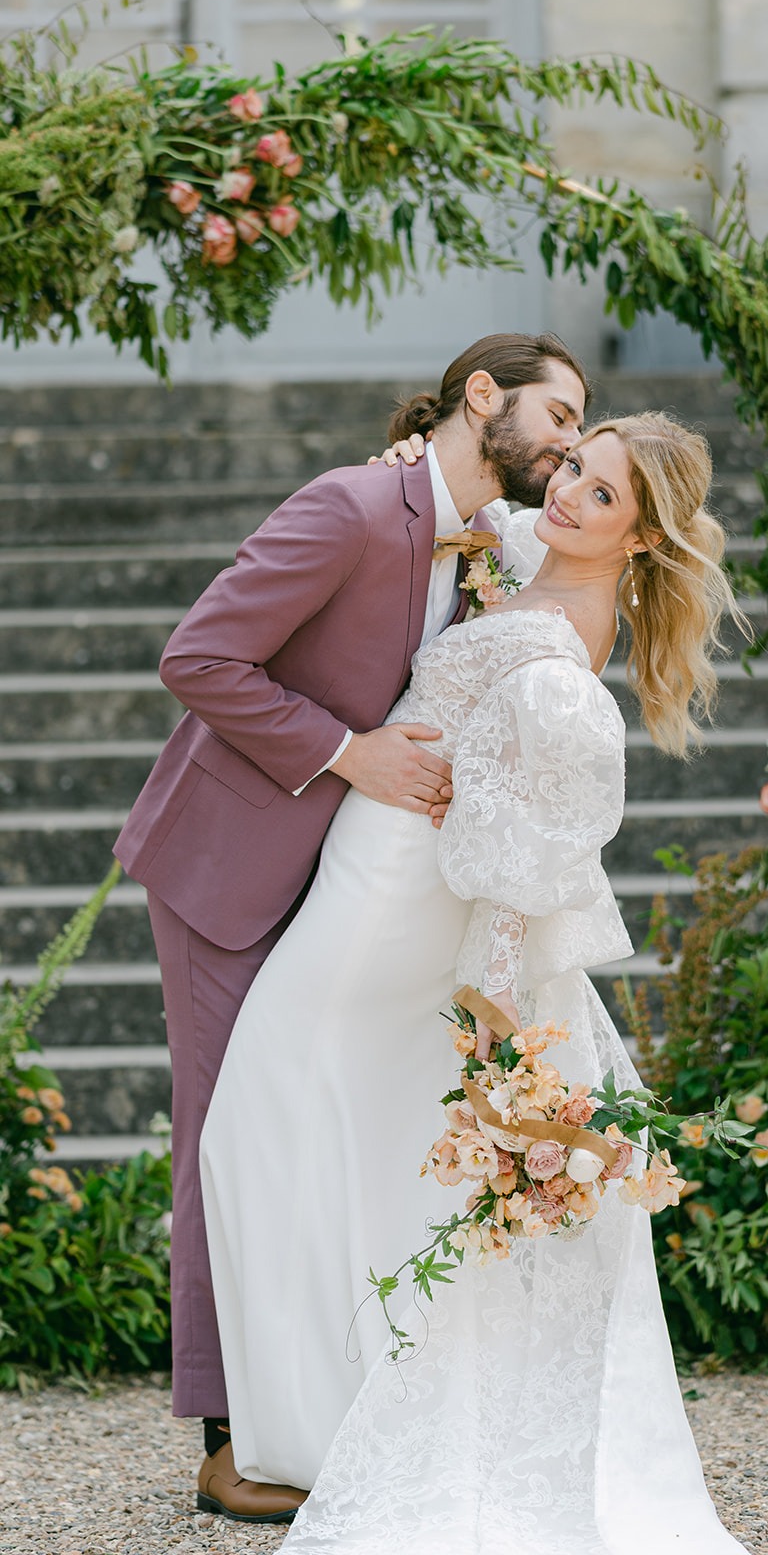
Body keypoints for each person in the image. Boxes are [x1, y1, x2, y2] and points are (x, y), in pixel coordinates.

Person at [199, 413, 750, 1553]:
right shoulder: (527, 552)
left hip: (394, 903)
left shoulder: (560, 665)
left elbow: (523, 872)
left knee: (253, 1113)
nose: (569, 497)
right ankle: (319, 1423)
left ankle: (318, 1429)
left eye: (601, 498)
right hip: (366, 859)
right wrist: (410, 452)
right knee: (317, 1127)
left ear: (640, 542)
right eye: (577, 467)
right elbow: (467, 490)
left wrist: (497, 1023)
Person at [112, 332, 590, 1522]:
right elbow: (200, 654)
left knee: (301, 1128)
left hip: (334, 885)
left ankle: (315, 1394)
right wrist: (349, 753)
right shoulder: (349, 507)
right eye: (562, 415)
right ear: (484, 397)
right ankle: (231, 1441)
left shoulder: (474, 536)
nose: (572, 442)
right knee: (228, 1135)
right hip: (227, 870)